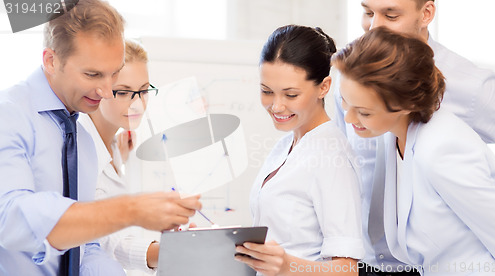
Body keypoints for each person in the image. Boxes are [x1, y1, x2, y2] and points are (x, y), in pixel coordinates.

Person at [0, 1, 201, 275]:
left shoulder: (81, 139)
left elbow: (85, 248)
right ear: (51, 61)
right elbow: (10, 218)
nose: (107, 91)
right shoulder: (9, 114)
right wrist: (130, 210)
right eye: (92, 74)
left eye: (114, 73)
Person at [332, 0, 495, 275]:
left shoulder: (442, 147)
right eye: (367, 12)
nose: (350, 120)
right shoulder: (392, 131)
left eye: (363, 112)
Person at [235, 25, 363, 276]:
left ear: (324, 87)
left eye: (291, 94)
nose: (277, 106)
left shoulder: (332, 156)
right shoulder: (286, 144)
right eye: (266, 91)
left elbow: (347, 270)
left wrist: (286, 266)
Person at [78, 39, 161, 273]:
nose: (137, 104)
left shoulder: (114, 144)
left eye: (144, 91)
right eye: (124, 92)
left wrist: (119, 159)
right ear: (99, 89)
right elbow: (103, 238)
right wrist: (166, 253)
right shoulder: (80, 152)